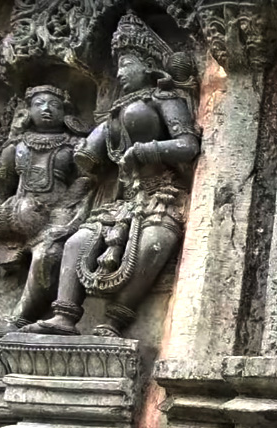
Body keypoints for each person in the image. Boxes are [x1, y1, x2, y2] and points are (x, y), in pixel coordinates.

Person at [21, 11, 200, 337]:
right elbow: (91, 158)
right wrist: (83, 153)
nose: (121, 71)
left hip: (162, 192)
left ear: (148, 65)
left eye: (127, 64)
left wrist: (150, 150)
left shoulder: (165, 99)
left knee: (154, 244)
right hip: (124, 198)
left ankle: (116, 318)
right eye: (118, 65)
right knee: (77, 243)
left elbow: (188, 144)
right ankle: (65, 315)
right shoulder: (116, 113)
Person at [0, 85, 90, 337]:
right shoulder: (16, 145)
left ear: (65, 112)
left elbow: (85, 178)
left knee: (47, 254)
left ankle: (18, 319)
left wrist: (65, 206)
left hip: (60, 211)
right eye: (39, 104)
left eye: (54, 105)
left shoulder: (73, 144)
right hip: (18, 212)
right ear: (28, 111)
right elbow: (2, 183)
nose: (46, 109)